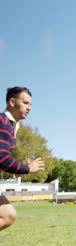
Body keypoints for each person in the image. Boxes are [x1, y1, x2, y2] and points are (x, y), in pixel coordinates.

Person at [0, 87, 44, 231]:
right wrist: (28, 168)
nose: (29, 108)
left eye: (30, 104)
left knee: (8, 215)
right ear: (12, 102)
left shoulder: (11, 125)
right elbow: (2, 159)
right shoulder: (3, 122)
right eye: (25, 103)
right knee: (8, 215)